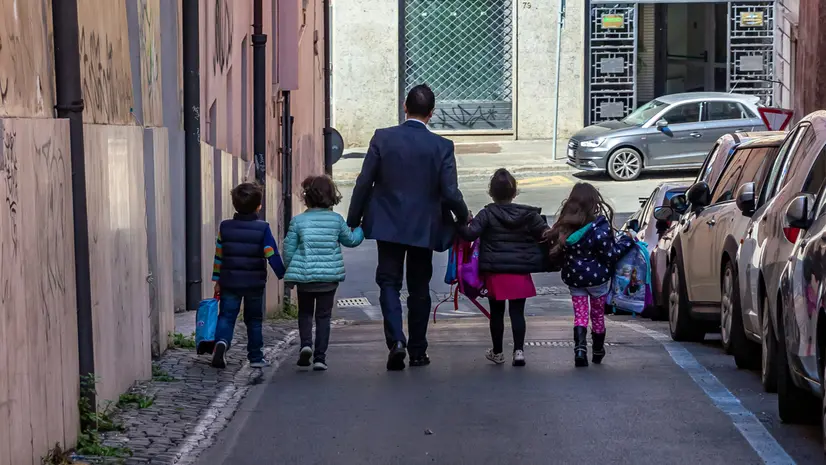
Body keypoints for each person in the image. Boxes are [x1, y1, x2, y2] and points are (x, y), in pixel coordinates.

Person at [347, 84, 469, 371]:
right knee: (419, 287)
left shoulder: (383, 138)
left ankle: (396, 341)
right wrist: (463, 217)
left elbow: (364, 181)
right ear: (432, 113)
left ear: (405, 107)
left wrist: (353, 219)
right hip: (423, 227)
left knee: (388, 282)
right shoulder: (441, 146)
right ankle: (417, 350)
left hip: (387, 223)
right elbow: (450, 192)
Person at [458, 169, 549, 366]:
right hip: (520, 271)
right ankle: (519, 351)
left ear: (491, 192)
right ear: (515, 192)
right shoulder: (528, 214)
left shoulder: (487, 214)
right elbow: (544, 234)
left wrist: (463, 221)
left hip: (495, 271)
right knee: (518, 313)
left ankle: (498, 352)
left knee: (497, 313)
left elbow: (469, 234)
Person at [545, 182, 634, 367]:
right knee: (597, 315)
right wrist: (627, 241)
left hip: (575, 280)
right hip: (597, 280)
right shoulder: (599, 229)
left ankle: (580, 350)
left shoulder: (565, 228)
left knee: (580, 315)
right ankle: (598, 350)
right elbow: (611, 255)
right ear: (594, 203)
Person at [283, 175, 364, 371]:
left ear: (306, 197)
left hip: (305, 277)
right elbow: (351, 240)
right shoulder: (336, 220)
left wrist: (290, 271)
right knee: (324, 316)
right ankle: (320, 357)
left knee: (304, 313)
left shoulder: (298, 221)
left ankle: (305, 345)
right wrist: (362, 229)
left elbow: (288, 250)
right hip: (328, 278)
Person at [211, 182, 286, 369]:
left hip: (229, 282)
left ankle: (221, 343)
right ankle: (255, 357)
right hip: (254, 284)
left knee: (227, 316)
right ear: (259, 206)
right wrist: (283, 274)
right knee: (254, 320)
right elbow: (271, 253)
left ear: (234, 204)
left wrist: (217, 280)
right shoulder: (263, 228)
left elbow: (219, 255)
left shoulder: (225, 227)